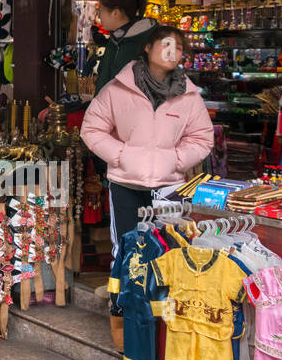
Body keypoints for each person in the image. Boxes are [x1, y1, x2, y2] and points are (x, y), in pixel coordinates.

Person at [80, 25, 214, 250]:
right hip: (125, 184)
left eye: (178, 47)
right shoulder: (117, 89)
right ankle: (127, 286)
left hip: (169, 187)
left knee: (167, 251)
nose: (172, 51)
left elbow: (202, 137)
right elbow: (92, 129)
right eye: (165, 45)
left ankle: (158, 288)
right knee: (127, 250)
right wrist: (122, 155)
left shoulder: (189, 95)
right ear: (147, 47)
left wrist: (176, 160)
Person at [92, 0, 157, 94]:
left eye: (100, 10)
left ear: (115, 13)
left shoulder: (142, 42)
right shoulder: (117, 38)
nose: (98, 16)